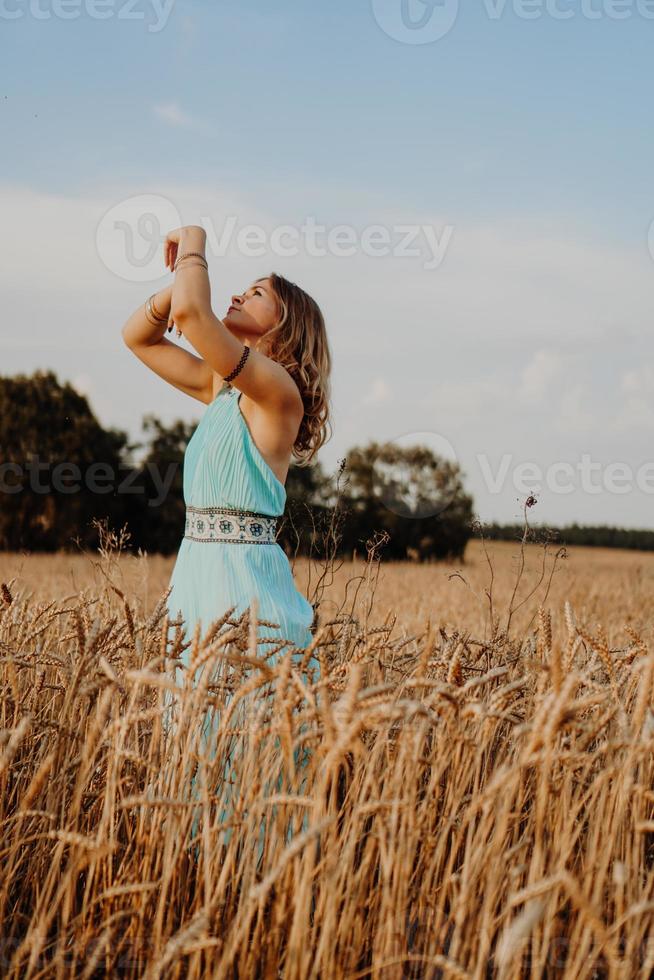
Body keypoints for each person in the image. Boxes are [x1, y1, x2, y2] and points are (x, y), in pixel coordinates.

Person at [121, 224, 332, 853]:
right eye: (238, 289)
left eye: (257, 293)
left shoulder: (277, 394)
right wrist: (175, 285)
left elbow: (192, 310)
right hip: (196, 590)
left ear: (285, 326)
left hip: (249, 603)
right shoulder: (221, 388)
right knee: (194, 755)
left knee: (251, 767)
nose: (238, 296)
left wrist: (194, 241)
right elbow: (139, 334)